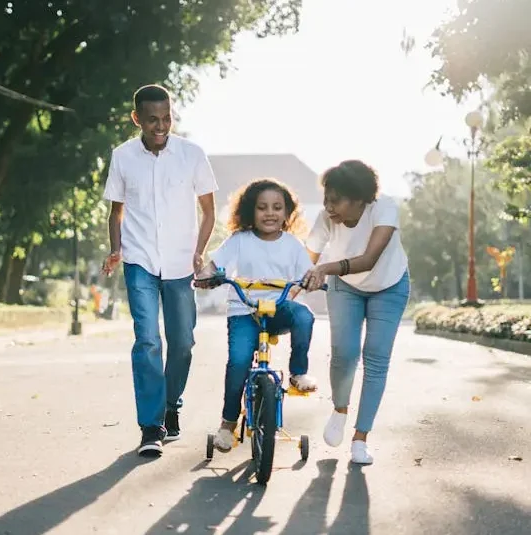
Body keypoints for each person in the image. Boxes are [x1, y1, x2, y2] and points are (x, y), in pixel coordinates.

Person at [101, 84, 218, 457]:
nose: (161, 126)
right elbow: (116, 212)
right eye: (152, 120)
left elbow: (209, 210)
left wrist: (200, 251)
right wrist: (117, 249)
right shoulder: (122, 157)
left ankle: (171, 406)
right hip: (139, 261)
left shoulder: (192, 154)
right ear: (137, 119)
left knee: (182, 342)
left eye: (166, 118)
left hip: (181, 263)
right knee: (148, 340)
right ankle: (151, 426)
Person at [195, 178, 318, 453]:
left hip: (278, 309)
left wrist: (313, 280)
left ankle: (298, 373)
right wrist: (206, 276)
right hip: (244, 310)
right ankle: (227, 425)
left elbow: (307, 273)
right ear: (251, 211)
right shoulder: (239, 240)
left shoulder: (293, 245)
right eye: (262, 207)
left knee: (304, 317)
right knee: (239, 362)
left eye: (277, 207)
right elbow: (214, 265)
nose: (270, 213)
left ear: (287, 213)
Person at [302, 160, 410, 465]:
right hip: (345, 287)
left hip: (389, 285)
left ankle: (361, 438)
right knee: (345, 353)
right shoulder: (327, 218)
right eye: (326, 198)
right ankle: (339, 409)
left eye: (335, 200)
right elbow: (305, 260)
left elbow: (369, 259)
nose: (328, 206)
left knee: (376, 357)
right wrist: (292, 287)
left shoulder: (384, 209)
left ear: (360, 198)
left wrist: (324, 268)